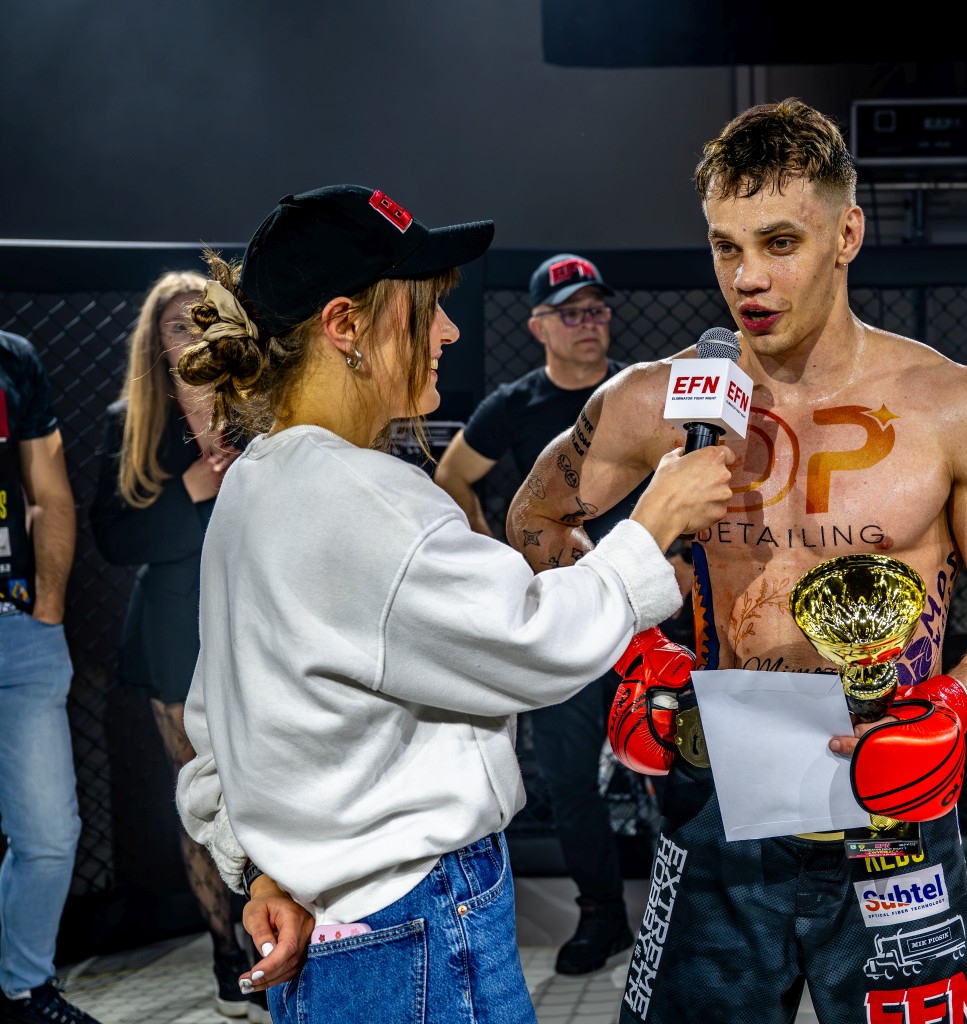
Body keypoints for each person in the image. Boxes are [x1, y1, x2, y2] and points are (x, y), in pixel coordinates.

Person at [505, 99, 967, 1024]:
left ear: (847, 234)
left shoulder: (955, 405)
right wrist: (635, 651)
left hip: (892, 803)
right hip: (717, 797)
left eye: (779, 243)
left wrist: (956, 709)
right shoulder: (652, 401)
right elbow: (535, 519)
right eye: (726, 247)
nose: (749, 279)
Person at [170, 184, 734, 1024]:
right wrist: (653, 525)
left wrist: (262, 871)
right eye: (426, 307)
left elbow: (216, 729)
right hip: (418, 928)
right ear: (344, 325)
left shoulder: (254, 483)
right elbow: (535, 644)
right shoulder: (366, 498)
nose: (448, 331)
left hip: (329, 924)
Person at [434, 253, 640, 974]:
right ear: (539, 327)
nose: (590, 325)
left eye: (597, 310)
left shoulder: (641, 392)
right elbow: (452, 476)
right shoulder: (514, 405)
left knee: (681, 765)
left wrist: (686, 555)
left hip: (650, 612)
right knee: (569, 778)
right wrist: (498, 557)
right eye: (572, 313)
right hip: (563, 619)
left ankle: (694, 911)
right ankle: (603, 914)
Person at [89, 271, 266, 1021]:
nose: (192, 335)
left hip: (256, 619)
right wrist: (189, 491)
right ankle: (228, 955)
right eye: (176, 326)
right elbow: (113, 538)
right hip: (172, 627)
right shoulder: (130, 422)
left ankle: (276, 943)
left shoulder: (258, 408)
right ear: (155, 344)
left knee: (265, 783)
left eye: (204, 320)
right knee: (201, 795)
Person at [0, 332, 98, 1024]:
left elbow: (49, 489)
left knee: (49, 836)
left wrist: (49, 608)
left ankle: (24, 990)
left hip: (20, 629)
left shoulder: (13, 358)